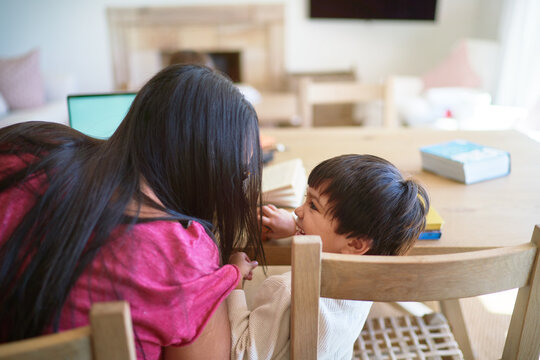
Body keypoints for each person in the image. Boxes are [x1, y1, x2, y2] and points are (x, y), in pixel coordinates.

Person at [0, 64, 265, 360]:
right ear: (206, 167)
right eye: (238, 174)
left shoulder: (28, 147)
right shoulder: (182, 256)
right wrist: (229, 284)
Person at [228, 154, 430, 359]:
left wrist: (232, 281)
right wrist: (296, 226)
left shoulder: (286, 290)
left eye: (313, 206)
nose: (298, 210)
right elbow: (333, 240)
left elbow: (242, 352)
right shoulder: (369, 271)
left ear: (355, 243)